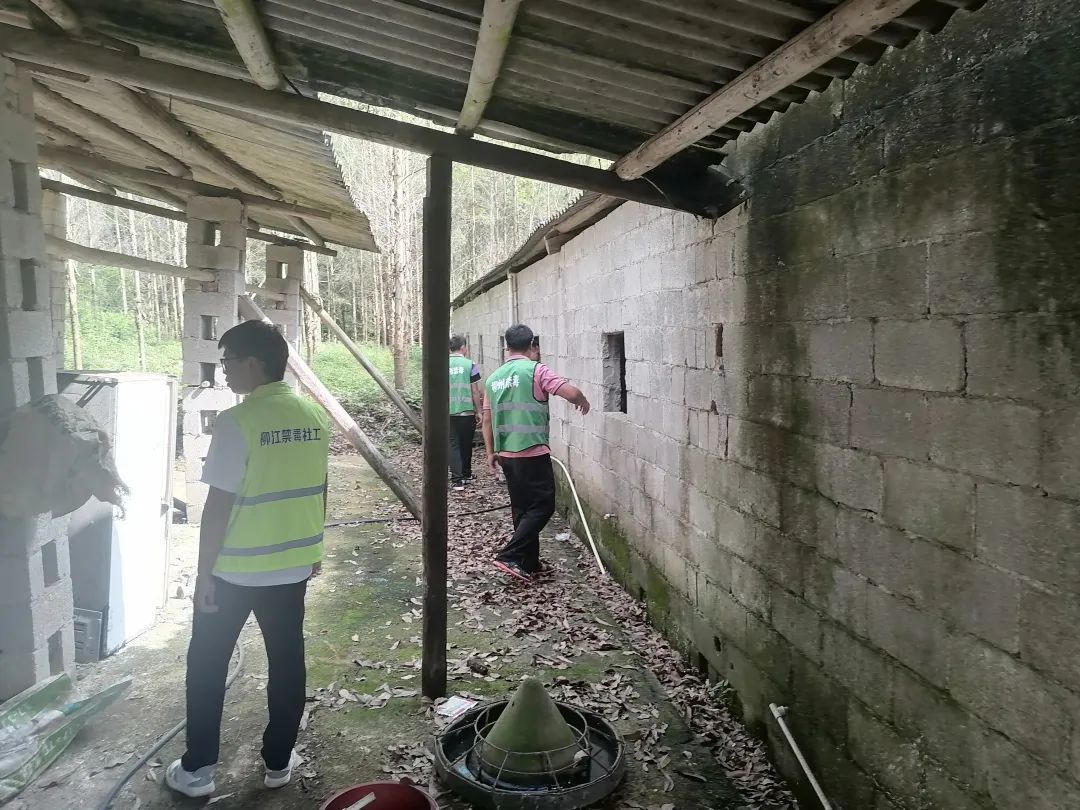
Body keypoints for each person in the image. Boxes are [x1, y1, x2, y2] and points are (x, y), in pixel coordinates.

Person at [166, 320, 330, 798]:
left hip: (235, 570)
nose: (224, 371)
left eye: (228, 362)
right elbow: (319, 487)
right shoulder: (314, 415)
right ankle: (278, 763)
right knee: (287, 661)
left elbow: (218, 506)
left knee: (207, 662)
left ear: (253, 363)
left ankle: (198, 770)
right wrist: (313, 549)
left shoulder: (238, 422)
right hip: (291, 567)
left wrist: (203, 575)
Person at [482, 324, 590, 582]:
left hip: (507, 453)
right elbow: (570, 392)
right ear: (532, 345)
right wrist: (582, 400)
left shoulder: (494, 378)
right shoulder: (536, 370)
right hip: (532, 450)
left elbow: (486, 418)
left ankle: (529, 563)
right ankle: (510, 555)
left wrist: (491, 452)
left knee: (522, 509)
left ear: (507, 347)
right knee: (543, 505)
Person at [448, 335, 483, 492]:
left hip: (448, 412)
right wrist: (479, 411)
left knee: (453, 444)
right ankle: (466, 474)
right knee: (466, 443)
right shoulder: (470, 364)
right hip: (466, 412)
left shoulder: (442, 364)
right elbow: (475, 391)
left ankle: (457, 480)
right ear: (463, 347)